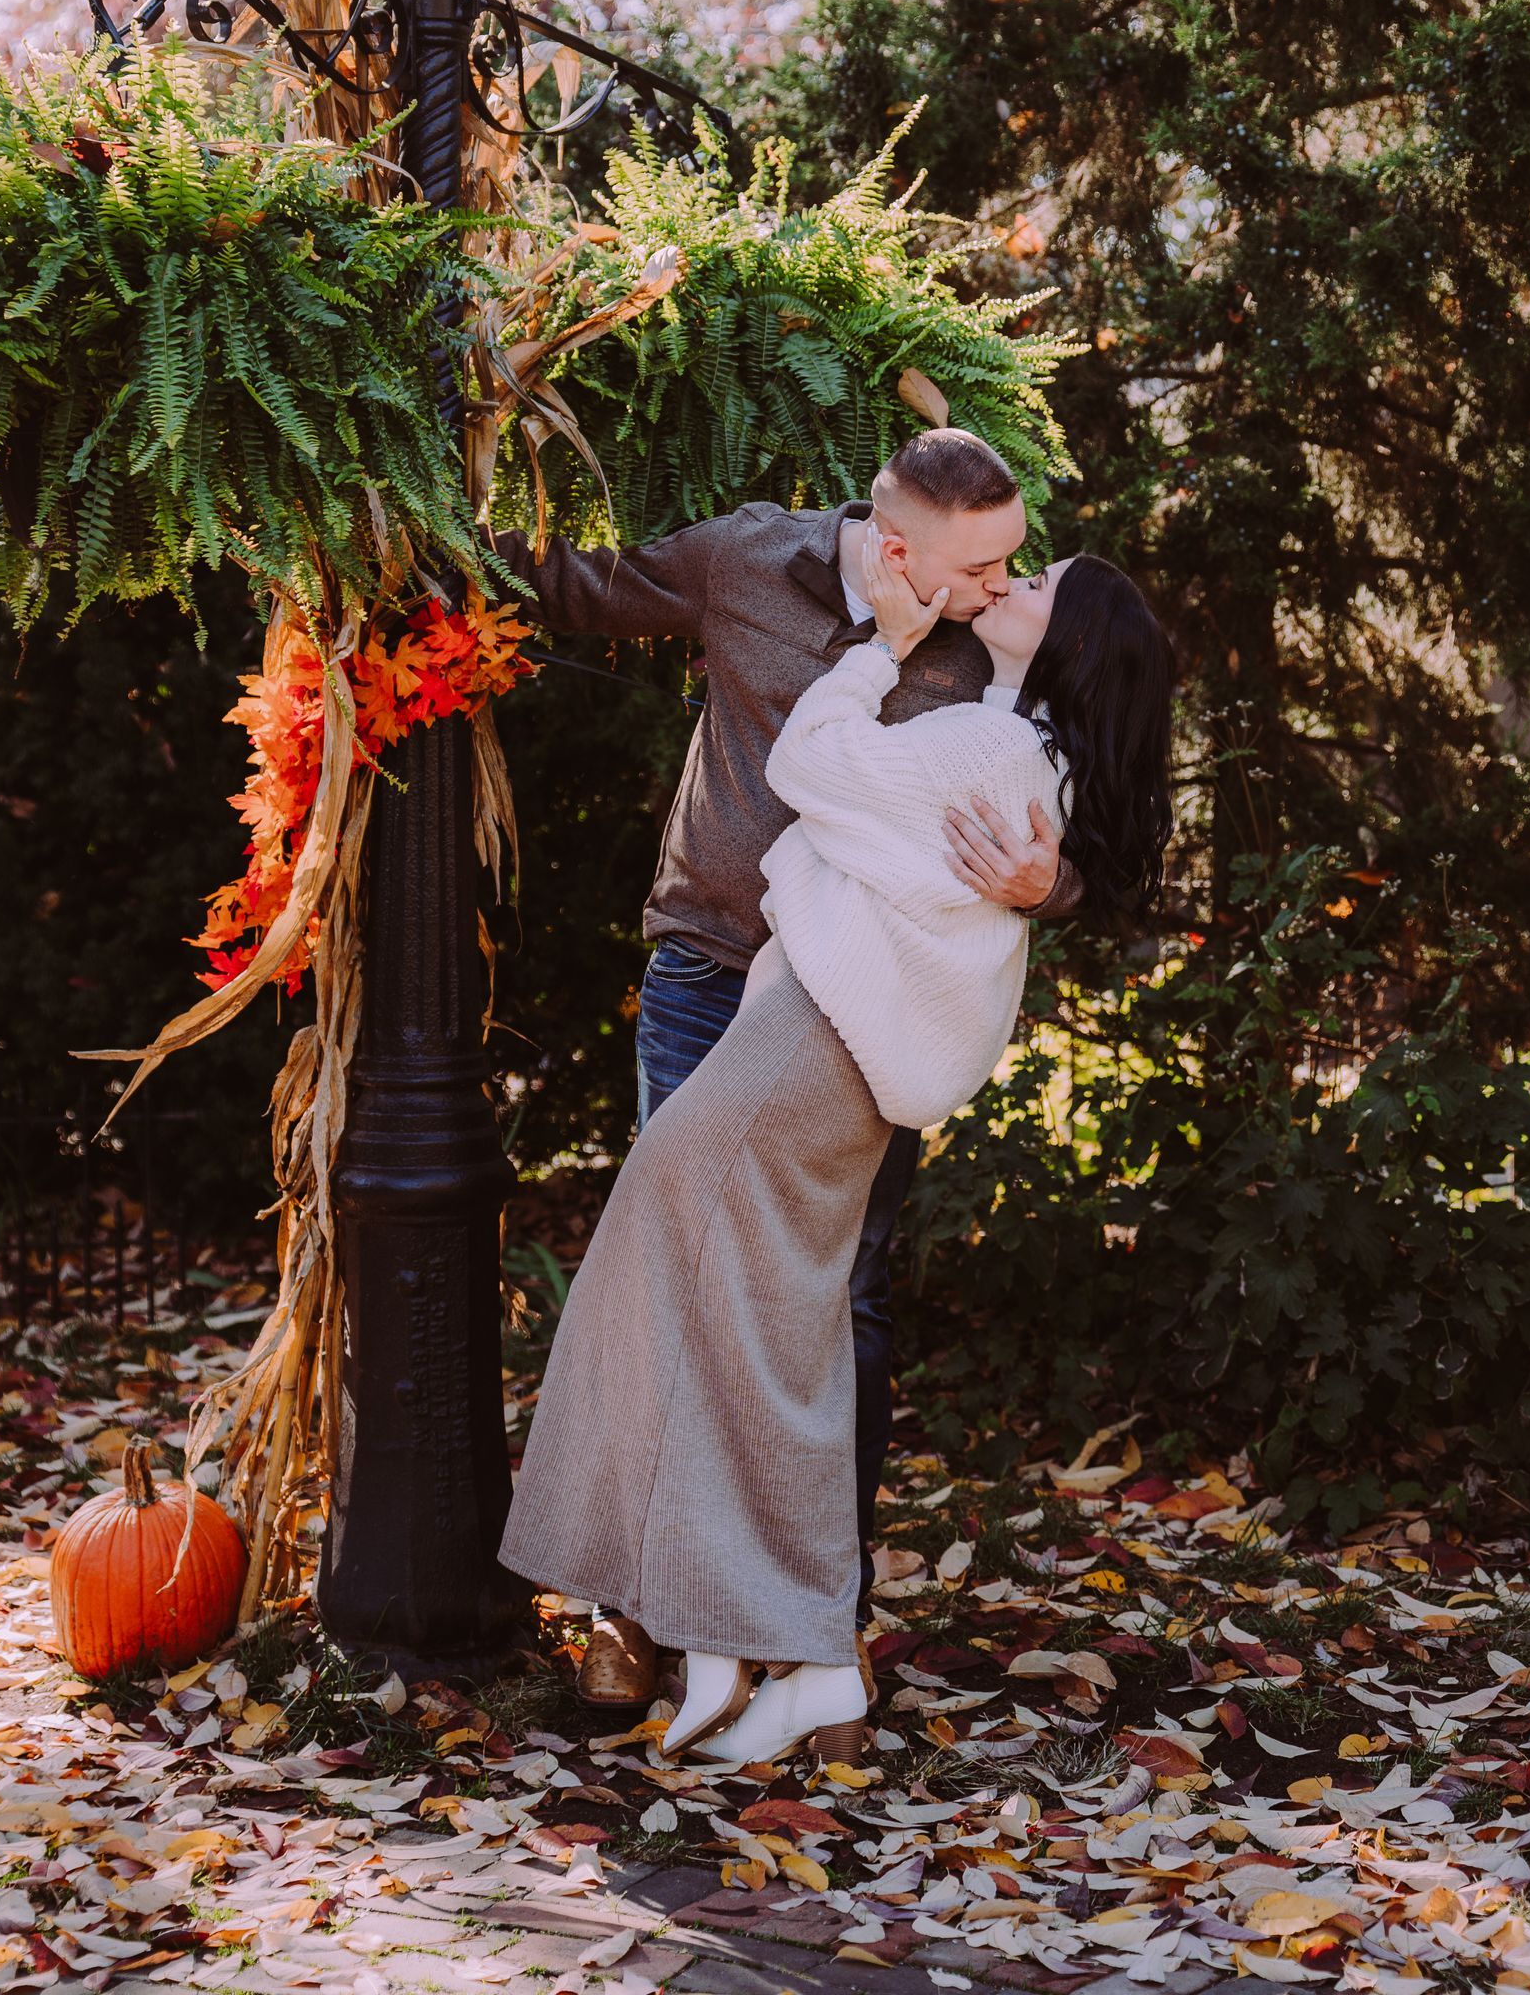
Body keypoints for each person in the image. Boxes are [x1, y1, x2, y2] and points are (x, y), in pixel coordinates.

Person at [500, 529, 1176, 1767]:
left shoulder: (973, 672)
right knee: (715, 1297)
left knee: (779, 1307)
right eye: (998, 564)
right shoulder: (762, 561)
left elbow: (834, 773)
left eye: (1026, 578)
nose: (1002, 584)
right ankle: (700, 1621)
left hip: (830, 1018)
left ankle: (784, 1632)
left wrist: (890, 661)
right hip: (726, 970)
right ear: (895, 518)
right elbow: (583, 586)